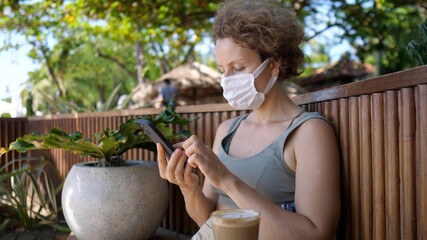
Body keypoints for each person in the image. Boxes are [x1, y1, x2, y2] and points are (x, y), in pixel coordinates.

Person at [156, 0, 341, 239]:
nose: (227, 80)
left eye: (239, 67)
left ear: (274, 64)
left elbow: (317, 234)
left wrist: (226, 179)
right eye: (223, 69)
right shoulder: (226, 131)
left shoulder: (308, 132)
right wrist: (188, 186)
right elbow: (209, 221)